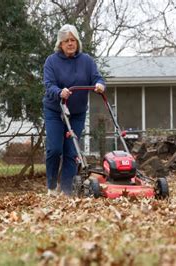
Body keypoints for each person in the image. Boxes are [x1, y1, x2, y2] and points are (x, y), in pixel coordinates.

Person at [42, 24, 105, 196]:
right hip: (55, 110)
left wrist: (99, 84)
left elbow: (97, 77)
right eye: (66, 41)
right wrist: (59, 92)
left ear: (77, 42)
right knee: (54, 149)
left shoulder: (86, 61)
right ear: (60, 44)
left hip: (76, 113)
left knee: (71, 151)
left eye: (73, 40)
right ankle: (52, 186)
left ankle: (67, 190)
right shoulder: (51, 61)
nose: (70, 43)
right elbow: (49, 85)